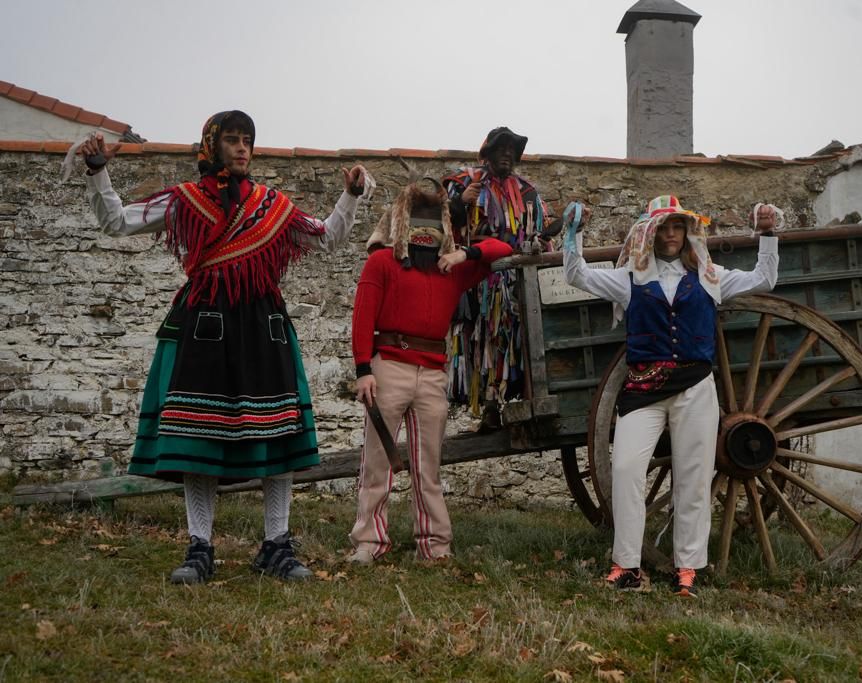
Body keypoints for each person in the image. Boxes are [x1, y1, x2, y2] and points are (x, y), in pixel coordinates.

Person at [79, 111, 371, 583]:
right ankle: (200, 547)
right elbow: (116, 221)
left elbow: (327, 238)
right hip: (205, 325)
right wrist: (98, 171)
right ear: (211, 146)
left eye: (247, 141)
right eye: (232, 140)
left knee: (278, 434)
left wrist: (350, 196)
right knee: (199, 434)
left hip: (263, 326)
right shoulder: (185, 201)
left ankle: (276, 545)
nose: (241, 148)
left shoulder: (273, 207)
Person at [563, 195, 780, 596]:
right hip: (643, 391)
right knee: (627, 469)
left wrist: (767, 236)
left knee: (694, 479)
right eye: (663, 228)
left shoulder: (710, 277)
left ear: (687, 232)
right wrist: (574, 232)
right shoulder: (630, 280)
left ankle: (688, 569)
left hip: (695, 390)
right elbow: (576, 275)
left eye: (677, 227)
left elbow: (763, 280)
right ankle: (626, 565)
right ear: (649, 233)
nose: (670, 235)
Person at [347, 178, 513, 563]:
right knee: (377, 463)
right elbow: (362, 318)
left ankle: (434, 546)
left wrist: (464, 254)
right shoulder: (381, 262)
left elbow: (504, 249)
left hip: (433, 373)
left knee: (428, 468)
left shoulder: (450, 269)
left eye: (433, 222)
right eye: (418, 220)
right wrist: (363, 371)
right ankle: (369, 543)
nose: (426, 231)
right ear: (403, 222)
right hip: (388, 367)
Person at [442, 127, 551, 428]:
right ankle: (489, 406)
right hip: (477, 277)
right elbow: (442, 227)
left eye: (511, 149)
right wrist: (459, 203)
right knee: (481, 340)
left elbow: (538, 233)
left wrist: (541, 243)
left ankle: (520, 395)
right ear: (487, 152)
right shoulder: (466, 183)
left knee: (515, 339)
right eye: (500, 148)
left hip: (516, 280)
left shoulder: (528, 192)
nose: (506, 154)